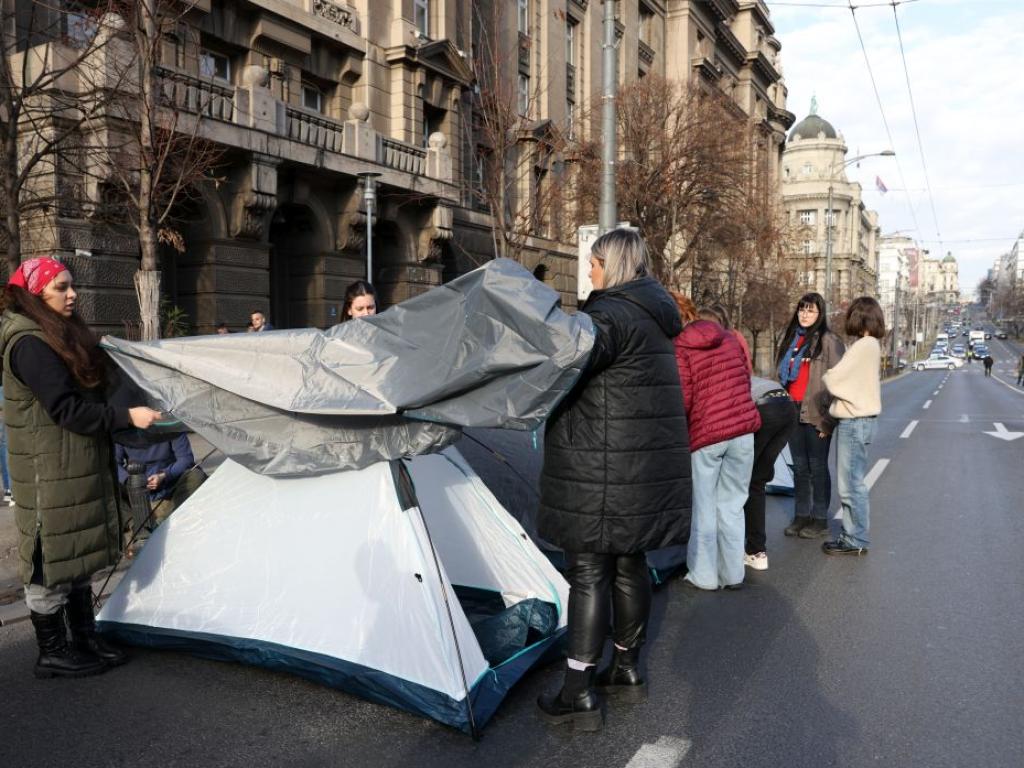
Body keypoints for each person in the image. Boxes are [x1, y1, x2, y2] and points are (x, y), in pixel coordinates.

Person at [536, 229, 691, 731]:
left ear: (615, 266)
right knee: (630, 564)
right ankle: (626, 668)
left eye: (595, 262)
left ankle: (577, 691)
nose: (589, 270)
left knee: (588, 572)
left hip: (600, 468)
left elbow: (564, 363)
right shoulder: (653, 316)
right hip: (639, 470)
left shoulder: (609, 317)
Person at [0, 256, 160, 678]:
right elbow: (67, 410)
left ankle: (85, 638)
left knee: (76, 557)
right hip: (49, 472)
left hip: (73, 466)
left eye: (72, 286)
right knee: (49, 563)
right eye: (61, 288)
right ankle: (52, 651)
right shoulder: (29, 343)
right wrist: (128, 417)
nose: (72, 295)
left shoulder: (56, 333)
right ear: (35, 295)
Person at [674, 306, 761, 590]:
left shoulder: (682, 347)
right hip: (743, 431)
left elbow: (683, 398)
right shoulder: (731, 339)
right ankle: (733, 574)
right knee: (733, 504)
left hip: (706, 435)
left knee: (704, 506)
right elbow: (746, 379)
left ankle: (704, 575)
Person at [776, 293, 845, 540]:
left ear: (820, 314)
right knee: (799, 467)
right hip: (792, 410)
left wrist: (830, 420)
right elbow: (781, 375)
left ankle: (820, 519)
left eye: (810, 310)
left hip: (817, 412)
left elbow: (840, 382)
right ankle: (801, 515)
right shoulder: (791, 339)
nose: (805, 315)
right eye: (802, 310)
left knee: (817, 467)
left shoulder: (829, 341)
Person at [821, 297, 885, 555]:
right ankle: (854, 535)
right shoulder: (872, 345)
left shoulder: (863, 345)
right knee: (854, 482)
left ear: (859, 317)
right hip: (863, 421)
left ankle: (855, 538)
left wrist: (830, 377)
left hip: (854, 421)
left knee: (850, 484)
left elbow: (834, 378)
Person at [744, 376, 798, 571]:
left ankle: (744, 549)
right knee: (756, 482)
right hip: (787, 406)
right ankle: (757, 552)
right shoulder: (742, 373)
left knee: (743, 481)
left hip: (764, 408)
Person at [115, 433, 203, 529]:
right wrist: (130, 481)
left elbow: (186, 459)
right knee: (108, 485)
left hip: (170, 486)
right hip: (136, 491)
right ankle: (136, 525)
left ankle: (165, 521)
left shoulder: (172, 427)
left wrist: (164, 475)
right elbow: (114, 463)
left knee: (196, 475)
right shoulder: (121, 431)